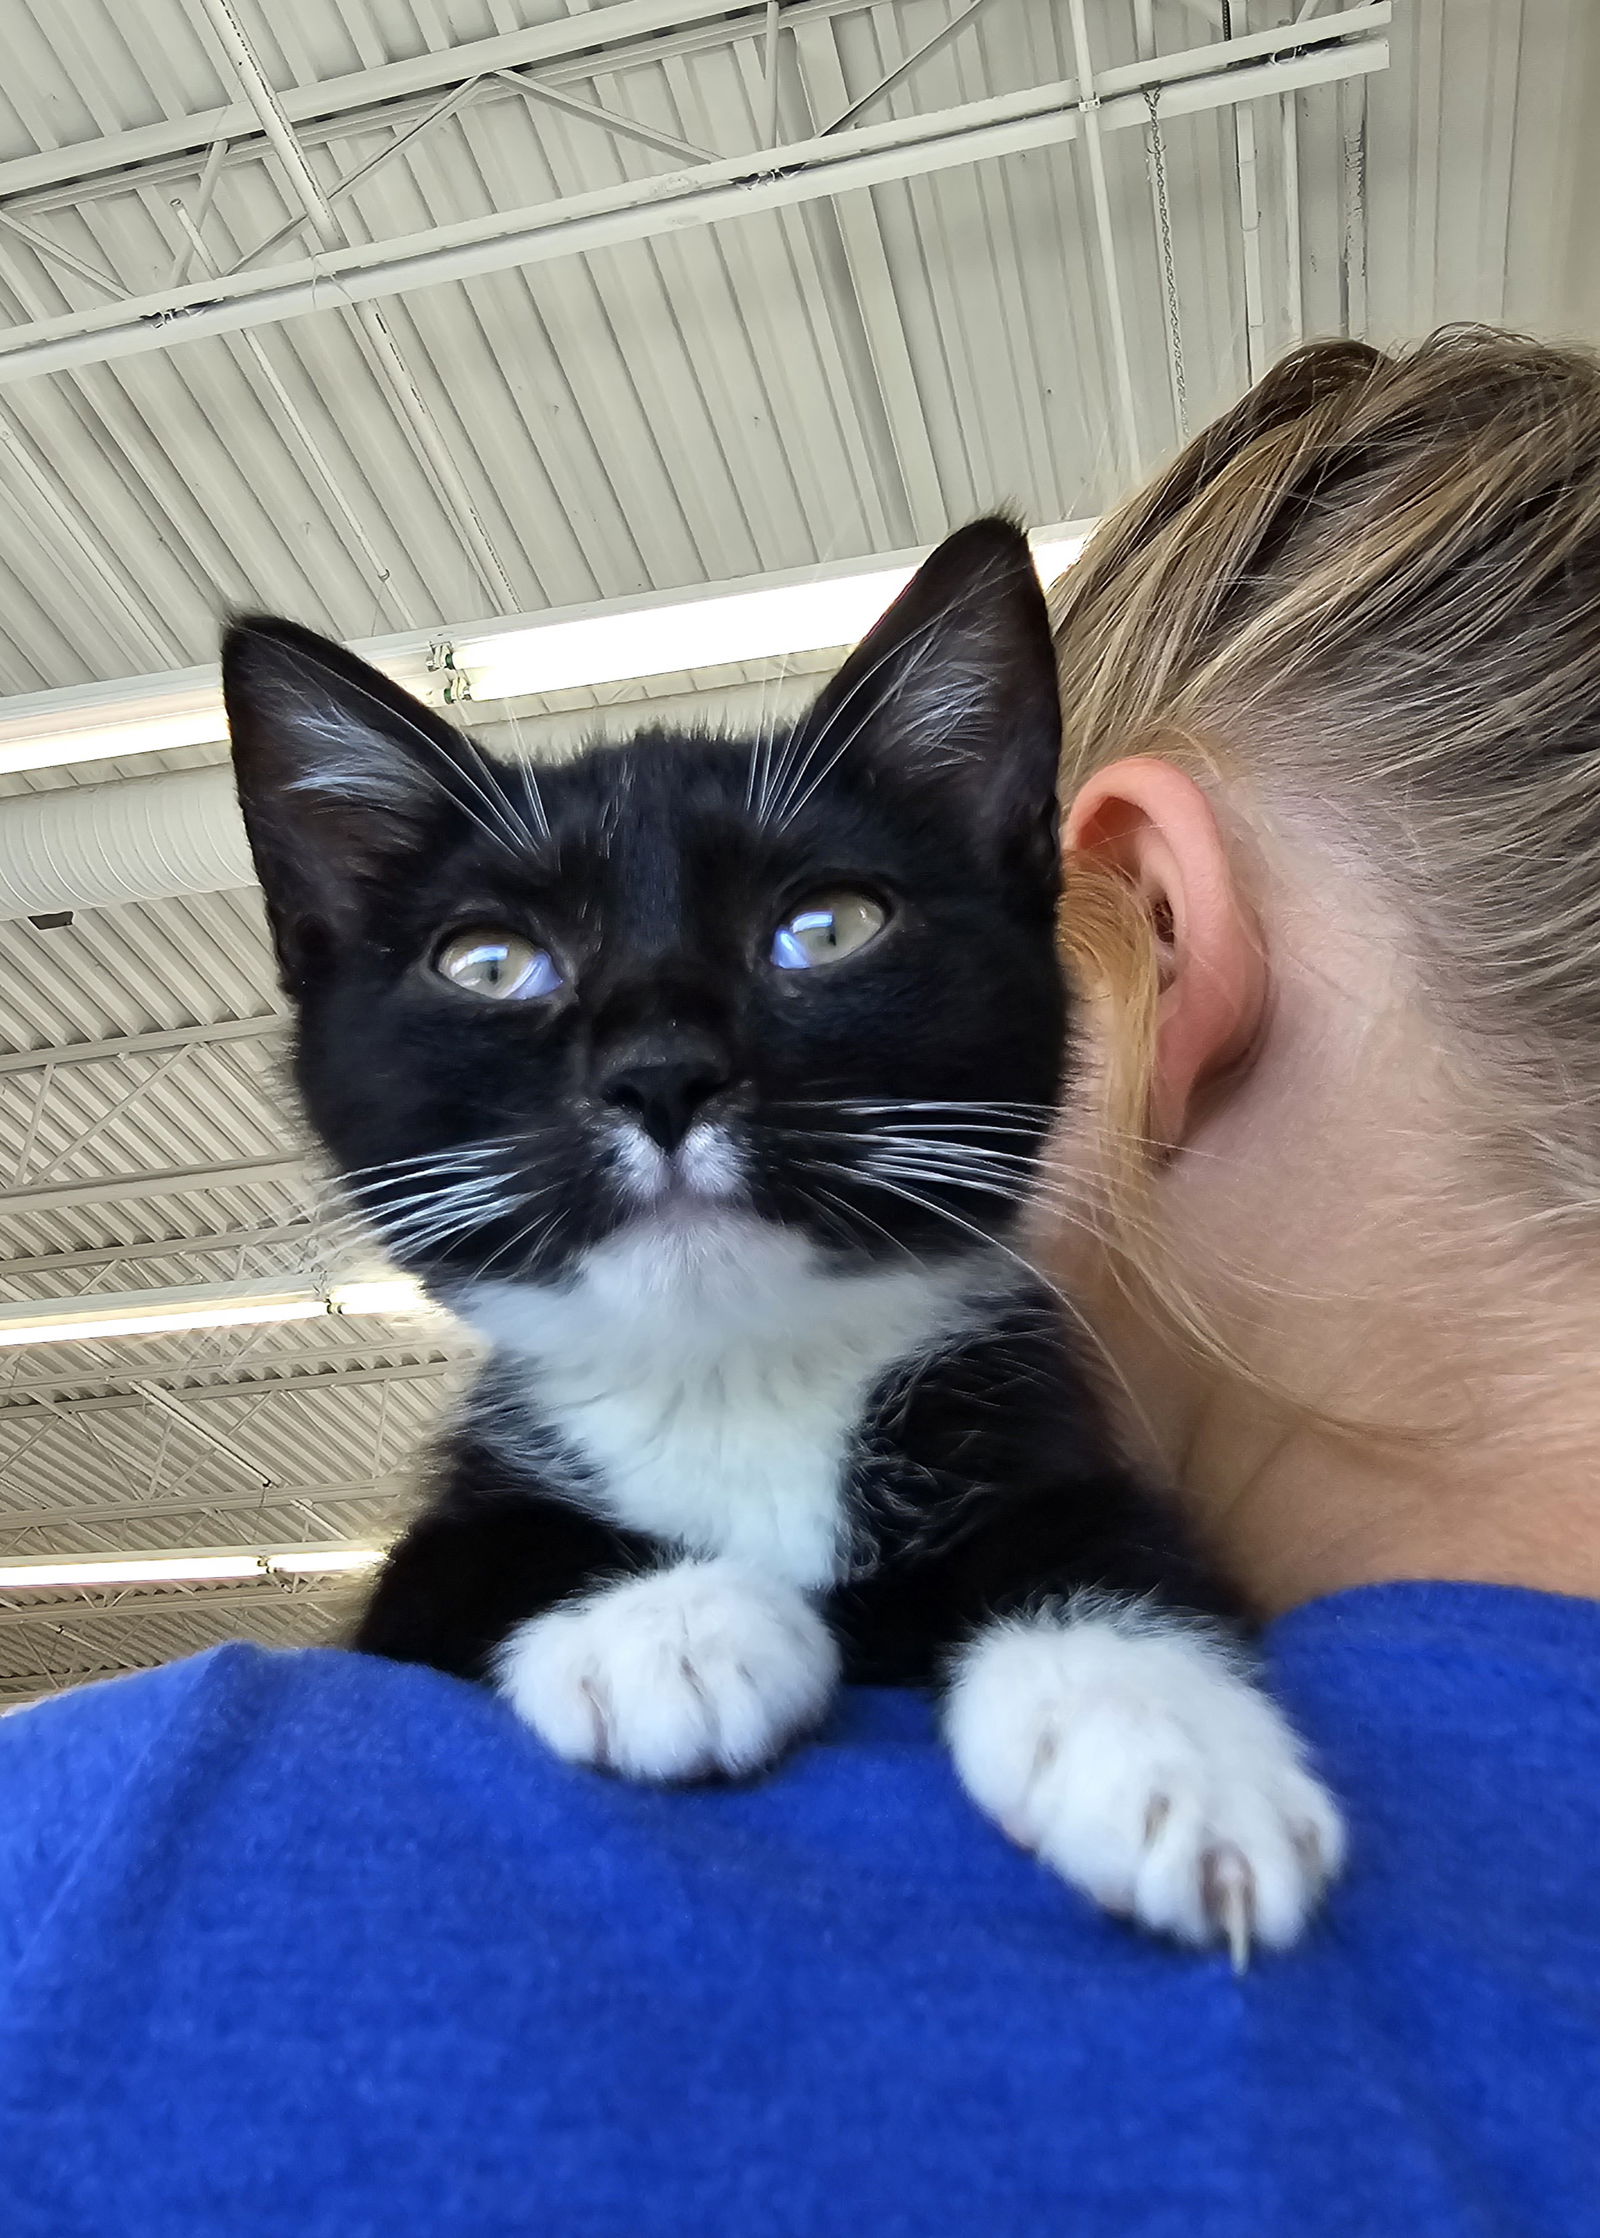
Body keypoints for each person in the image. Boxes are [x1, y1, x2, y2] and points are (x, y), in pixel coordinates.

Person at [3, 329, 1597, 2236]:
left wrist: (1087, 1633)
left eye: (821, 923)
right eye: (499, 960)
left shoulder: (126, 1873)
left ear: (1140, 921)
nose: (663, 1056)